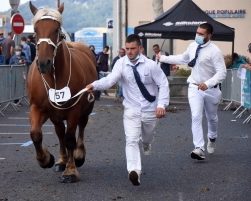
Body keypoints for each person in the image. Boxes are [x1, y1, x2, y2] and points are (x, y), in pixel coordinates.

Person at [86, 34, 169, 186]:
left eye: (132, 49)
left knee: (147, 137)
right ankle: (134, 171)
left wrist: (161, 105)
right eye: (127, 48)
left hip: (150, 108)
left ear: (140, 48)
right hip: (131, 108)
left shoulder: (151, 65)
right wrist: (94, 85)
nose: (129, 52)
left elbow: (163, 84)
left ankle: (147, 143)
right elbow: (110, 80)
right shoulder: (121, 64)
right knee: (131, 139)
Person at [157, 22, 226, 160]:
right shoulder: (192, 46)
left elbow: (222, 72)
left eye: (201, 34)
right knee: (195, 116)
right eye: (197, 32)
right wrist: (163, 58)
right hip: (194, 87)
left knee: (212, 118)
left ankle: (212, 138)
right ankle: (199, 148)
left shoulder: (215, 51)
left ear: (209, 35)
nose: (198, 35)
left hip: (211, 89)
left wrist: (208, 83)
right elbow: (183, 58)